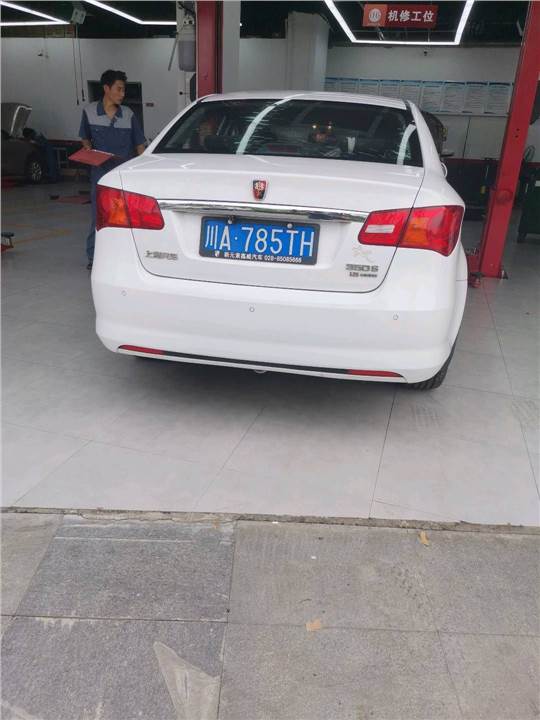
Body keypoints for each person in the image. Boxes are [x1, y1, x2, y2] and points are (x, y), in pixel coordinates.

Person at [79, 69, 145, 269]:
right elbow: (85, 138)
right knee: (99, 217)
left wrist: (142, 172)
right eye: (119, 89)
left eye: (124, 90)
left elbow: (140, 146)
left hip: (124, 176)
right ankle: (93, 257)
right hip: (100, 175)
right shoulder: (89, 112)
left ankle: (125, 257)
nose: (122, 94)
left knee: (126, 218)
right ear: (106, 88)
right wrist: (88, 150)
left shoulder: (128, 114)